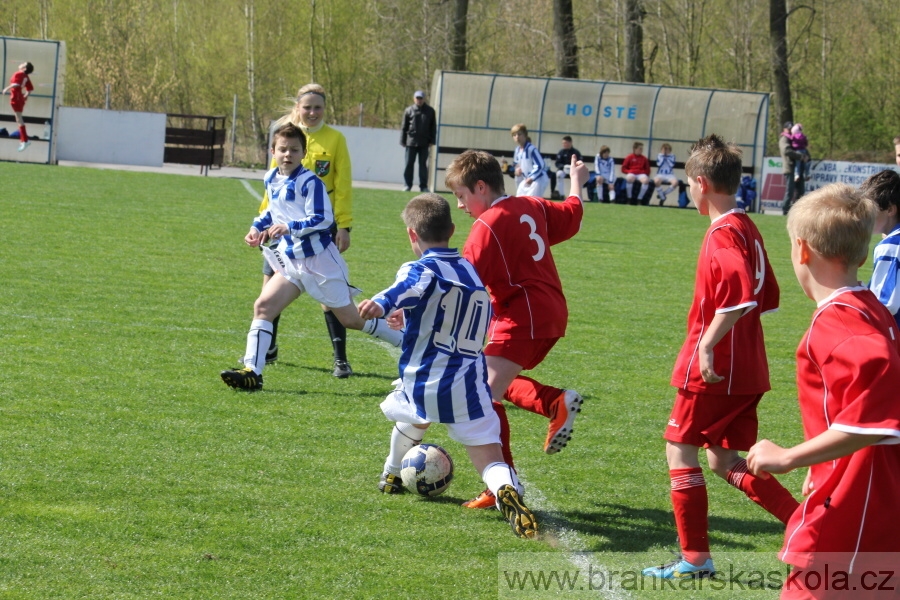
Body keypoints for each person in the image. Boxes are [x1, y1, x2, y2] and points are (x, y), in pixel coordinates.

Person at [642, 134, 799, 580]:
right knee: (723, 459)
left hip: (715, 370)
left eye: (690, 184)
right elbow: (768, 296)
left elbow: (741, 296)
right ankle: (805, 523)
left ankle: (695, 558)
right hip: (749, 365)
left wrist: (708, 343)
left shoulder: (723, 234)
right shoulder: (747, 226)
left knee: (680, 450)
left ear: (701, 182)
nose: (689, 191)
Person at [747, 184, 900, 599]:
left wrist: (790, 457)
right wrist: (821, 465)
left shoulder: (839, 324)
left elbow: (876, 416)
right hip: (864, 495)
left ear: (801, 250)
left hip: (855, 508)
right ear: (863, 254)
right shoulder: (871, 306)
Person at [361, 194, 538, 539]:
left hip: (425, 379)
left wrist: (383, 303)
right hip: (469, 384)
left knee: (412, 411)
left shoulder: (420, 268)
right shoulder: (470, 270)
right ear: (453, 230)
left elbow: (410, 286)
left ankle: (392, 473)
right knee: (488, 456)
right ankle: (505, 490)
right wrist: (408, 315)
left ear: (412, 235)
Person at [445, 149, 587, 509]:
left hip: (524, 316)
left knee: (483, 397)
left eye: (462, 196)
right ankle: (553, 403)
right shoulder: (532, 205)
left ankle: (502, 484)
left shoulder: (487, 225)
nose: (461, 206)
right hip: (550, 311)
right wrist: (576, 183)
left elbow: (462, 282)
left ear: (480, 187)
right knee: (487, 381)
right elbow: (572, 215)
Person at [220, 123, 402, 391]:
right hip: (292, 263)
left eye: (294, 150)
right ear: (273, 151)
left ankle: (406, 339)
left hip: (320, 262)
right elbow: (271, 212)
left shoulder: (310, 182)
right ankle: (253, 372)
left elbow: (323, 219)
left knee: (351, 320)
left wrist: (290, 227)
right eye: (282, 149)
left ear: (303, 153)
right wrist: (256, 228)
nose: (287, 154)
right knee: (263, 307)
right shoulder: (271, 178)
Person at [257, 83, 355, 378]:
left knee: (329, 295)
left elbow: (344, 183)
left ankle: (340, 359)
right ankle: (267, 349)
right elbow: (271, 187)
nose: (312, 112)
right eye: (307, 107)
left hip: (318, 229)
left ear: (325, 109)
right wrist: (262, 221)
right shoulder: (284, 134)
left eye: (318, 107)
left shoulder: (335, 139)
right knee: (270, 288)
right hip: (280, 228)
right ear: (298, 108)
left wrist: (345, 225)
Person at [861, 169, 900, 330]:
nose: (865, 217)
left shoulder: (891, 246)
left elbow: (885, 302)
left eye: (870, 211)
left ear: (890, 209)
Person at [400, 90, 436, 192]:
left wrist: (432, 140)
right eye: (417, 98)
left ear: (424, 99)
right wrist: (403, 140)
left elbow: (433, 127)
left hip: (424, 143)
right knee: (408, 164)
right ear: (414, 98)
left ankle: (423, 186)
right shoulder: (409, 110)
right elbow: (404, 126)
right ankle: (407, 185)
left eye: (421, 98)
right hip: (410, 142)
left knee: (423, 165)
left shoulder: (430, 111)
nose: (419, 100)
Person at [2, 61, 34, 152]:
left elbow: (16, 84)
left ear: (24, 68)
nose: (21, 64)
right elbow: (30, 88)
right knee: (18, 119)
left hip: (16, 97)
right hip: (20, 98)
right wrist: (25, 96)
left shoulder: (19, 73)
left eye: (23, 64)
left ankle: (25, 140)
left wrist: (6, 89)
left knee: (19, 119)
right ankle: (24, 140)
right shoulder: (25, 76)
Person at [510, 124, 549, 198]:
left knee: (532, 203)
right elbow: (516, 164)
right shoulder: (517, 150)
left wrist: (531, 177)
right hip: (526, 179)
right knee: (519, 199)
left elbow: (540, 165)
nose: (517, 137)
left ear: (525, 135)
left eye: (519, 134)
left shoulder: (531, 149)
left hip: (538, 179)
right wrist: (516, 170)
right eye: (514, 135)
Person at [779, 121, 807, 215]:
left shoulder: (793, 138)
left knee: (801, 190)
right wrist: (800, 156)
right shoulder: (784, 139)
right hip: (789, 168)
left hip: (797, 169)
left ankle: (798, 210)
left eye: (791, 128)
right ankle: (785, 210)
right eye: (788, 128)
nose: (790, 130)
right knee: (790, 191)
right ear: (784, 129)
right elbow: (786, 150)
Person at [552, 135, 583, 200]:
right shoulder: (561, 152)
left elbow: (580, 163)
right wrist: (563, 167)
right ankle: (562, 195)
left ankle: (575, 196)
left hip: (574, 170)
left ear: (570, 142)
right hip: (563, 170)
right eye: (563, 143)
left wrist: (574, 167)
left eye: (565, 143)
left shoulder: (576, 152)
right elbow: (557, 163)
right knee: (559, 174)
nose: (564, 144)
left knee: (578, 178)